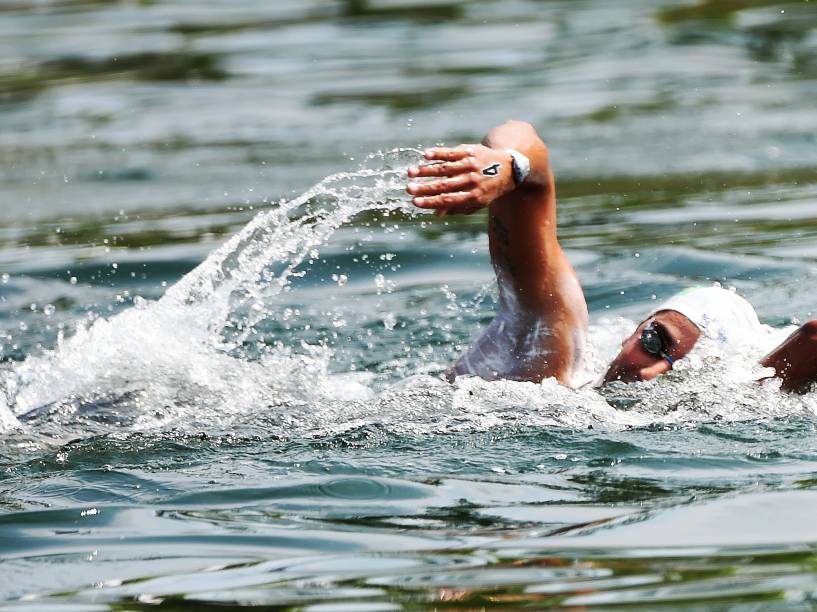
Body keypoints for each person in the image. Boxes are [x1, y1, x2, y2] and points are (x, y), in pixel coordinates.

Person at [406, 120, 817, 393]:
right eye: (656, 342)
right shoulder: (551, 342)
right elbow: (529, 151)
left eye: (683, 372)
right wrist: (504, 165)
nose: (652, 370)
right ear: (638, 328)